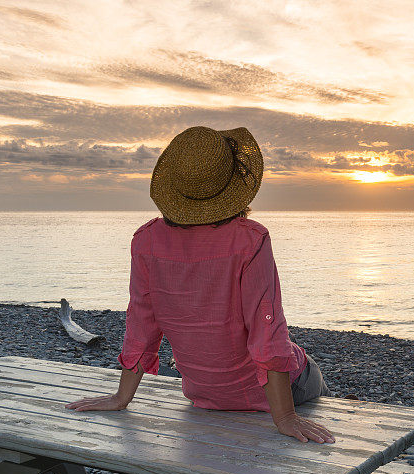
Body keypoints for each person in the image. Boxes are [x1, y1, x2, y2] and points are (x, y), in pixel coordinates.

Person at [65, 126, 334, 444]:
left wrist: (121, 398)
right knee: (310, 373)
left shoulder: (146, 240)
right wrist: (285, 418)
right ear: (234, 182)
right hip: (268, 393)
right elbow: (268, 336)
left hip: (203, 394)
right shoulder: (251, 239)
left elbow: (141, 326)